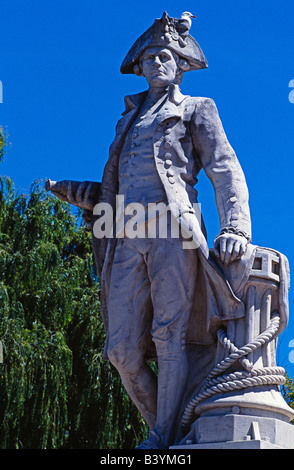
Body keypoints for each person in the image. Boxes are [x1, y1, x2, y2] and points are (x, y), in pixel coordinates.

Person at [66, 12, 251, 449]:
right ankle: (177, 429)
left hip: (174, 229)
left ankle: (162, 437)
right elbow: (116, 187)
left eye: (165, 56)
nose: (156, 63)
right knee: (121, 352)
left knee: (171, 335)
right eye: (149, 57)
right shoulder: (126, 120)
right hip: (125, 232)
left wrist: (236, 228)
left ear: (181, 63)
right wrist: (74, 191)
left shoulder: (195, 109)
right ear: (139, 66)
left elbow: (225, 170)